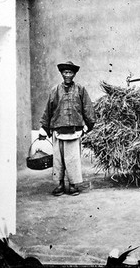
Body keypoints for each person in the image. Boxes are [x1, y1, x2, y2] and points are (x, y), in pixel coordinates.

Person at [39, 61, 96, 196]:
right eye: (65, 72)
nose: (68, 75)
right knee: (58, 160)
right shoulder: (54, 90)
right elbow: (48, 109)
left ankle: (72, 185)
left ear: (74, 74)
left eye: (70, 72)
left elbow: (87, 108)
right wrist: (44, 128)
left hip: (74, 131)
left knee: (73, 160)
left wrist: (89, 124)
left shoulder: (80, 89)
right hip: (58, 131)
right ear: (62, 74)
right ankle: (59, 184)